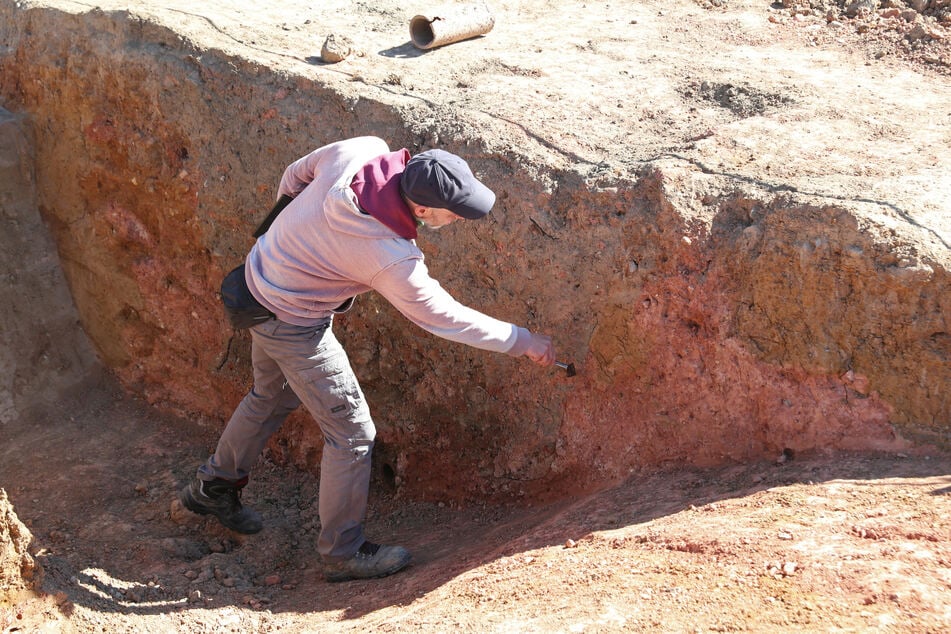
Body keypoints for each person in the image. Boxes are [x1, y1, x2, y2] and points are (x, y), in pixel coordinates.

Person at [179, 136, 555, 582]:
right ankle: (342, 552)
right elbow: (443, 317)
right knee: (352, 432)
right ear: (422, 209)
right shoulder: (388, 255)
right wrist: (523, 340)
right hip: (293, 321)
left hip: (258, 280)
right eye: (454, 212)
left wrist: (286, 235)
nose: (458, 219)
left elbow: (295, 174)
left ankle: (212, 489)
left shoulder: (362, 150)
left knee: (271, 394)